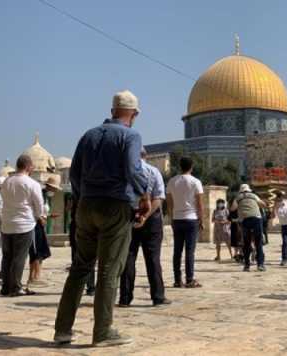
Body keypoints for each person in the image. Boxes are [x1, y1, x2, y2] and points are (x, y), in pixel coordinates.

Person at [54, 90, 150, 348]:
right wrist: (144, 194)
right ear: (134, 113)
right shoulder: (131, 135)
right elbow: (133, 170)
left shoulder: (89, 135)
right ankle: (103, 331)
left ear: (111, 111)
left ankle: (63, 329)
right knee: (109, 269)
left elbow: (74, 174)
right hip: (115, 206)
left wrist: (83, 199)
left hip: (86, 206)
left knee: (80, 267)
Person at [119, 148, 171, 307]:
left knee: (128, 258)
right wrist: (145, 216)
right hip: (151, 219)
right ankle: (158, 296)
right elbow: (158, 199)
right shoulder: (154, 171)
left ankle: (125, 298)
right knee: (153, 258)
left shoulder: (124, 171)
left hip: (129, 218)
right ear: (145, 156)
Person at [0, 154, 45, 297]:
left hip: (7, 224)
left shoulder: (6, 182)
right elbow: (39, 204)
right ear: (28, 166)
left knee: (7, 257)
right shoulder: (32, 184)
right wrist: (41, 217)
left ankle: (5, 287)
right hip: (24, 224)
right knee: (19, 257)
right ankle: (16, 287)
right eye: (32, 166)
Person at [166, 156, 204, 288]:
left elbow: (169, 203)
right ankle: (189, 279)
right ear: (192, 167)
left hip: (177, 219)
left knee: (177, 251)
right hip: (191, 218)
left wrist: (171, 218)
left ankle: (177, 280)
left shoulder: (172, 181)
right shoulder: (196, 182)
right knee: (189, 251)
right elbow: (199, 204)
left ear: (179, 166)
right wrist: (201, 219)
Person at [26, 176, 61, 293]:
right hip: (35, 225)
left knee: (41, 251)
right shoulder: (40, 194)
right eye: (55, 189)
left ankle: (36, 276)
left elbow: (42, 212)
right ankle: (33, 277)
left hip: (40, 225)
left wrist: (49, 216)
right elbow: (34, 210)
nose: (55, 191)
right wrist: (41, 218)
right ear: (50, 187)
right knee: (36, 252)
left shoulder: (45, 197)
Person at [230, 184, 267, 272]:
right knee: (258, 243)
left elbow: (232, 208)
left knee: (246, 243)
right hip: (256, 219)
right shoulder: (254, 196)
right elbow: (263, 204)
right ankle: (260, 265)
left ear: (241, 191)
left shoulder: (238, 198)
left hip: (245, 220)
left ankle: (247, 265)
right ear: (248, 190)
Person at [68, 198, 95, 296]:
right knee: (88, 257)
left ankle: (78, 286)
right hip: (85, 227)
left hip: (78, 226)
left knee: (78, 258)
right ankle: (90, 287)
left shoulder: (77, 196)